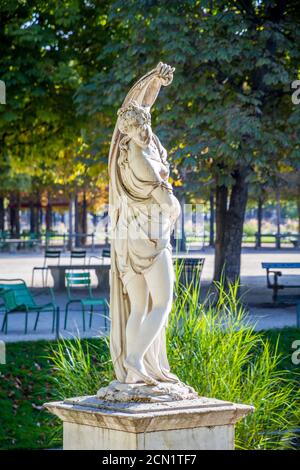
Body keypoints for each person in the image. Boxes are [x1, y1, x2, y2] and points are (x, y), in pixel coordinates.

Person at [109, 62, 181, 386]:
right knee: (163, 302)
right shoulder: (143, 162)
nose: (145, 130)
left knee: (139, 305)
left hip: (129, 239)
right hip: (150, 240)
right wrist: (176, 211)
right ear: (130, 129)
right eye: (139, 127)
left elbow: (140, 104)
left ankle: (130, 370)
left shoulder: (125, 151)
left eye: (145, 124)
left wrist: (154, 80)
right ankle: (136, 358)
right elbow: (168, 203)